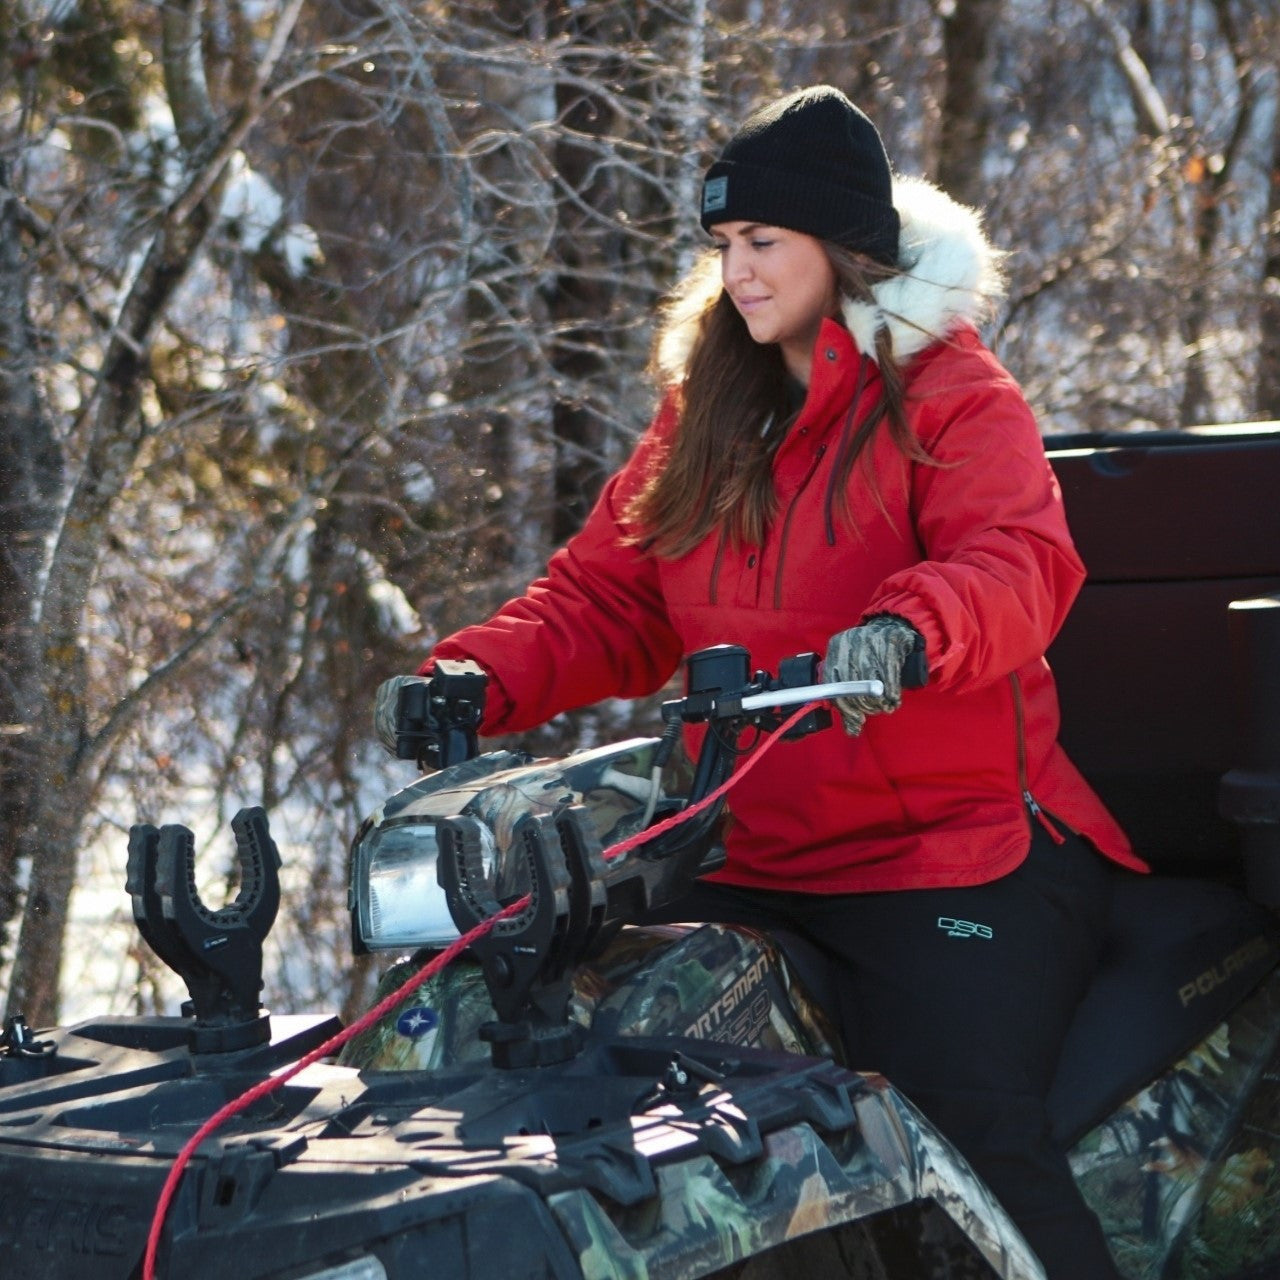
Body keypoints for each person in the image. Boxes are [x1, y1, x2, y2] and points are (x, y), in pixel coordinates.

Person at [377, 85, 1147, 1278]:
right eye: (723, 244)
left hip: (945, 853)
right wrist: (474, 676)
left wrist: (907, 629)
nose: (736, 271)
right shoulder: (710, 408)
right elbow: (609, 599)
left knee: (966, 1137)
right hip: (745, 849)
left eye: (763, 241)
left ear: (841, 248)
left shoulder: (950, 393)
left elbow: (1016, 562)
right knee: (604, 1097)